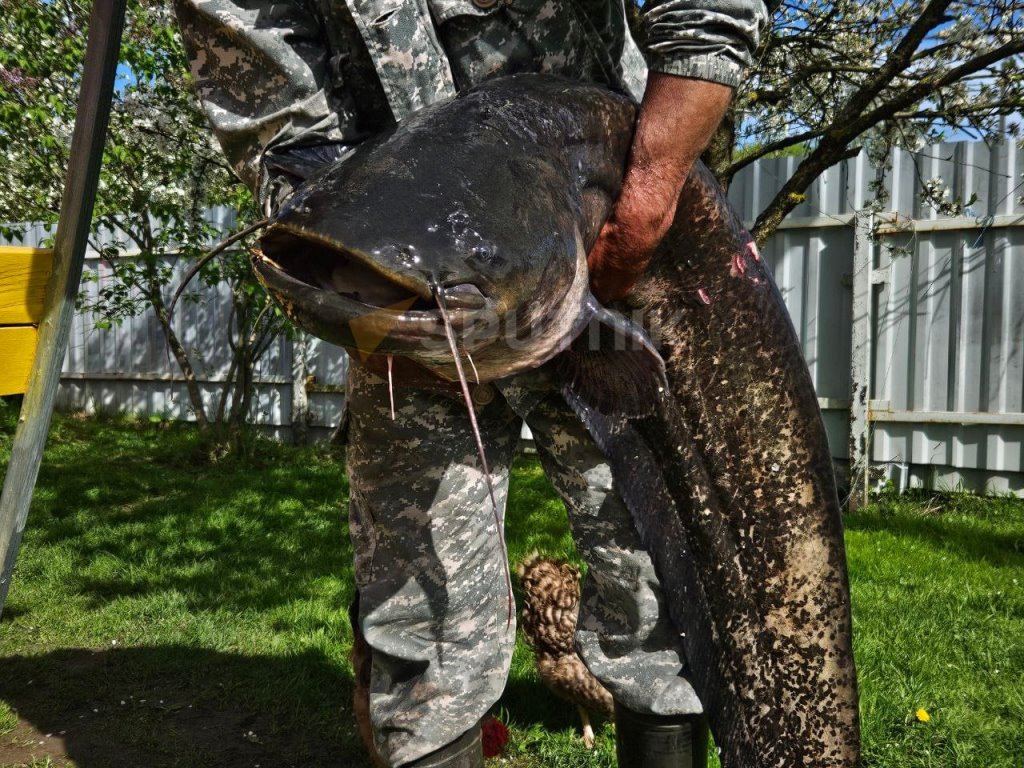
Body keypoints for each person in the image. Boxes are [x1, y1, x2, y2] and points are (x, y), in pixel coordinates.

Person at [174, 1, 769, 766]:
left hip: (605, 230)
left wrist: (655, 185)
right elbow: (263, 82)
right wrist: (352, 277)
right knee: (423, 622)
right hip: (403, 269)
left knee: (659, 592)